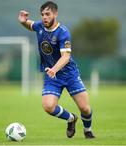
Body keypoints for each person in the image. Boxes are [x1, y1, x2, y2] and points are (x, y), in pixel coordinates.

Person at [18, 1, 95, 138]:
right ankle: (71, 118)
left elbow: (66, 56)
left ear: (55, 14)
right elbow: (30, 25)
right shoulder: (40, 26)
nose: (44, 17)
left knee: (85, 108)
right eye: (42, 14)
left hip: (69, 74)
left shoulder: (63, 32)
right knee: (48, 106)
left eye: (47, 14)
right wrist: (23, 21)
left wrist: (54, 69)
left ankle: (88, 130)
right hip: (52, 75)